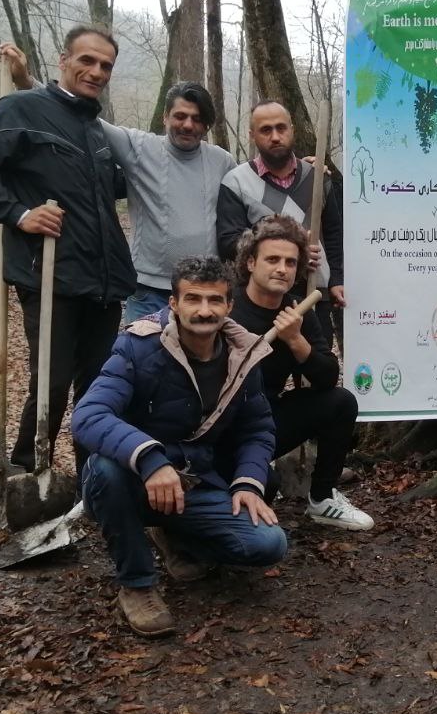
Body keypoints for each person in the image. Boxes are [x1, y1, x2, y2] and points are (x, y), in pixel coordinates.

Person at [0, 26, 135, 476]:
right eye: (87, 60)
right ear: (63, 60)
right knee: (51, 382)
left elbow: (112, 188)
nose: (96, 71)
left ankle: (93, 479)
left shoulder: (94, 129)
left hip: (104, 280)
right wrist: (18, 214)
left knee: (99, 388)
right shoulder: (21, 109)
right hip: (51, 274)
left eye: (105, 65)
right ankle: (29, 473)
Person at [71, 256, 288, 637]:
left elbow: (257, 429)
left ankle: (176, 535)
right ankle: (137, 584)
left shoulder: (243, 353)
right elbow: (89, 415)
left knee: (269, 543)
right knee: (104, 469)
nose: (204, 310)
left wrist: (248, 483)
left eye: (215, 300)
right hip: (135, 480)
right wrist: (151, 460)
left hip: (194, 480)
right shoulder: (137, 346)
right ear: (173, 303)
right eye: (193, 299)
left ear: (229, 305)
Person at [1, 44, 236, 323]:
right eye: (180, 116)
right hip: (149, 291)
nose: (187, 125)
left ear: (207, 125)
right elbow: (77, 114)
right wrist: (26, 81)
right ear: (165, 117)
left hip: (204, 290)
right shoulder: (140, 148)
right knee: (140, 352)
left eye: (197, 119)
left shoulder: (222, 161)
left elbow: (243, 201)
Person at [228, 215, 373, 530]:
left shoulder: (299, 310)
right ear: (250, 263)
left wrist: (296, 340)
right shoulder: (226, 306)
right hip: (222, 427)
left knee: (341, 402)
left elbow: (327, 377)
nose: (282, 268)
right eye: (272, 260)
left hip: (266, 420)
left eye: (290, 262)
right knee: (266, 485)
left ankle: (322, 499)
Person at [216, 101, 344, 343]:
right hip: (262, 300)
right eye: (266, 130)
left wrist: (337, 279)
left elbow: (334, 234)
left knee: (315, 361)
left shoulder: (317, 178)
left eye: (281, 128)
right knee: (261, 364)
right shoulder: (236, 182)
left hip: (315, 294)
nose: (275, 137)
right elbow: (228, 241)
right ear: (252, 135)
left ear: (292, 130)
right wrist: (289, 251)